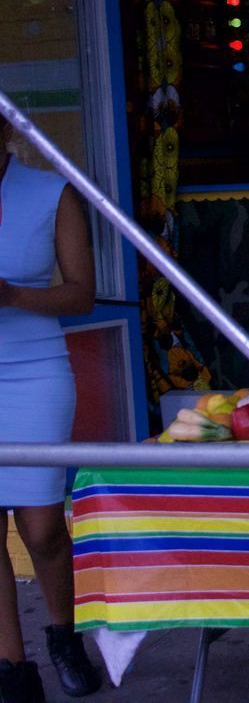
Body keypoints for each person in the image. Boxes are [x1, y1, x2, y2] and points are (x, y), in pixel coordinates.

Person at [0, 118, 102, 700]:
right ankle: (12, 665)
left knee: (41, 528)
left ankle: (64, 635)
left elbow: (82, 292)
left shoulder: (50, 192)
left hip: (34, 370)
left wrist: (12, 294)